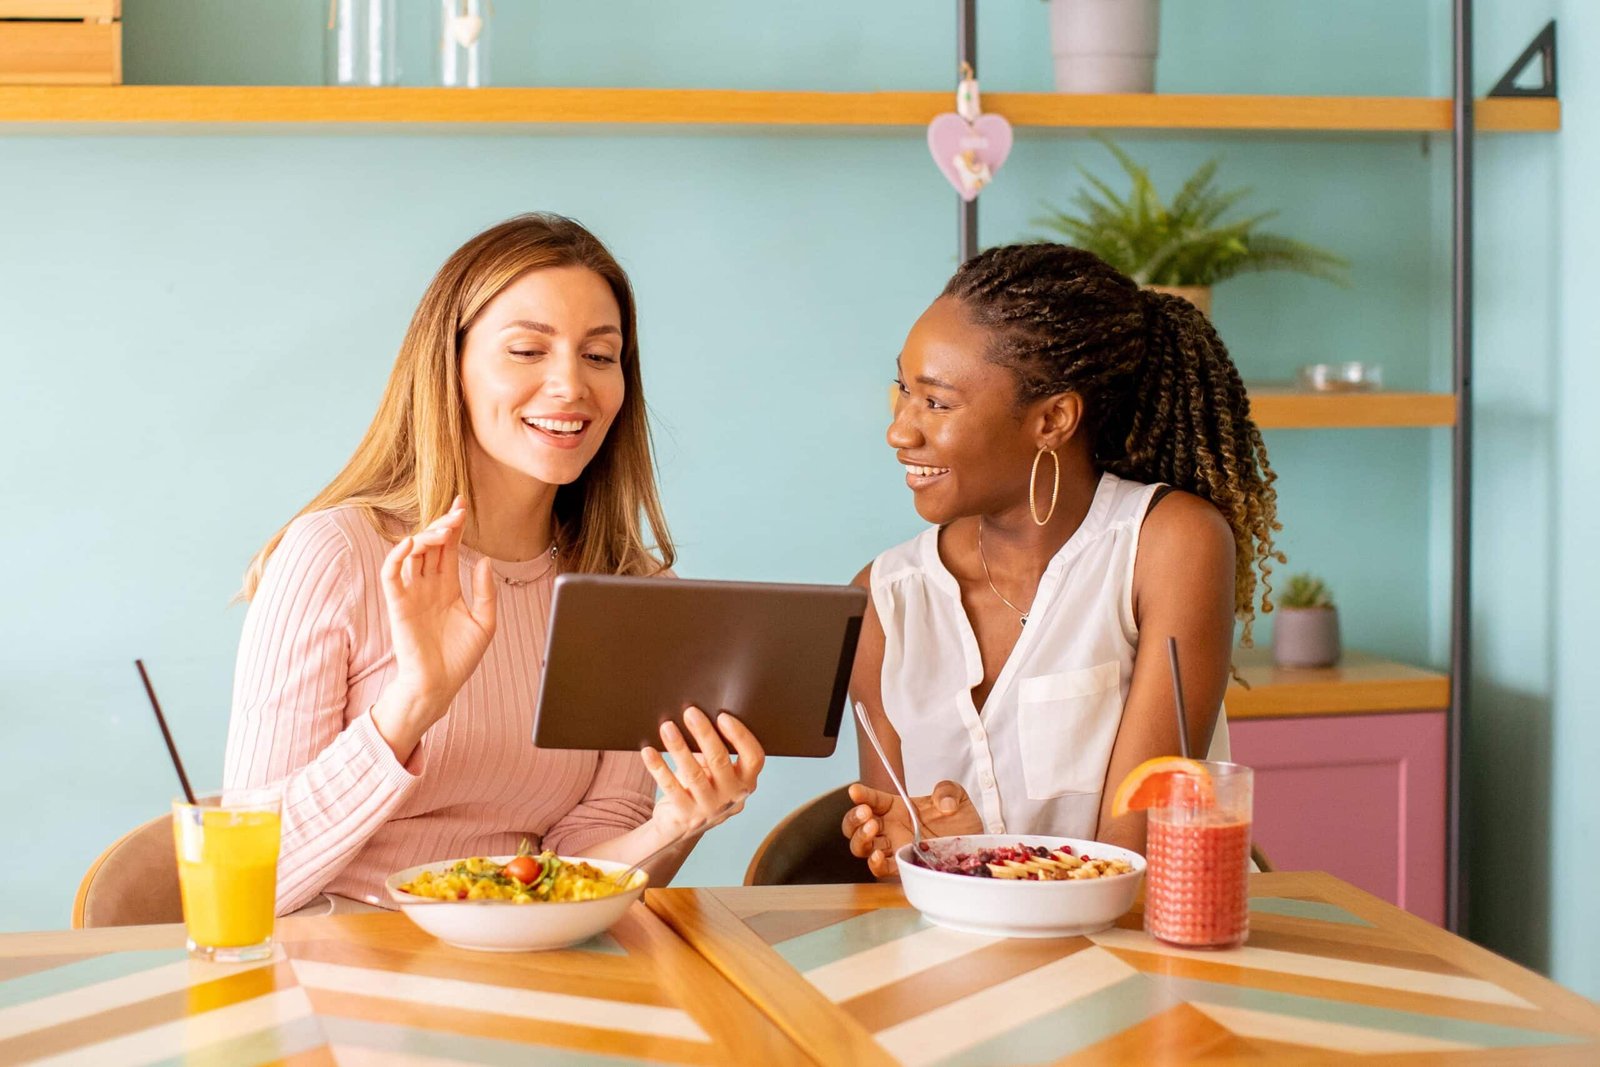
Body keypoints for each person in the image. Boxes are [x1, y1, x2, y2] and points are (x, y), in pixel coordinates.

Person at [225, 214, 764, 914]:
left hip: (529, 966)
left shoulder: (631, 594)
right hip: (335, 973)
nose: (571, 385)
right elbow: (249, 880)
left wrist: (675, 822)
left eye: (600, 356)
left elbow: (583, 863)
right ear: (449, 365)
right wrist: (414, 701)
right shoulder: (335, 554)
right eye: (526, 350)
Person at [842, 243, 1281, 877]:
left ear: (1053, 419)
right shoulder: (884, 601)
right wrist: (912, 850)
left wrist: (979, 855)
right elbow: (897, 877)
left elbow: (1131, 859)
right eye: (903, 392)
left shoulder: (1168, 545)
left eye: (936, 403)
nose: (901, 431)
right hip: (960, 961)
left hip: (1152, 956)